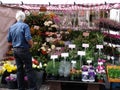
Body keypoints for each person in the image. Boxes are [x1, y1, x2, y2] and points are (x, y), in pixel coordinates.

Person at [7, 11, 38, 90]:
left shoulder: (12, 27)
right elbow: (28, 38)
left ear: (16, 18)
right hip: (24, 49)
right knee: (29, 69)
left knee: (19, 70)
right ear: (24, 18)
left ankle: (21, 88)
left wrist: (15, 43)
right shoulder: (25, 26)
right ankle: (32, 88)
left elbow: (9, 40)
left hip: (15, 50)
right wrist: (31, 45)